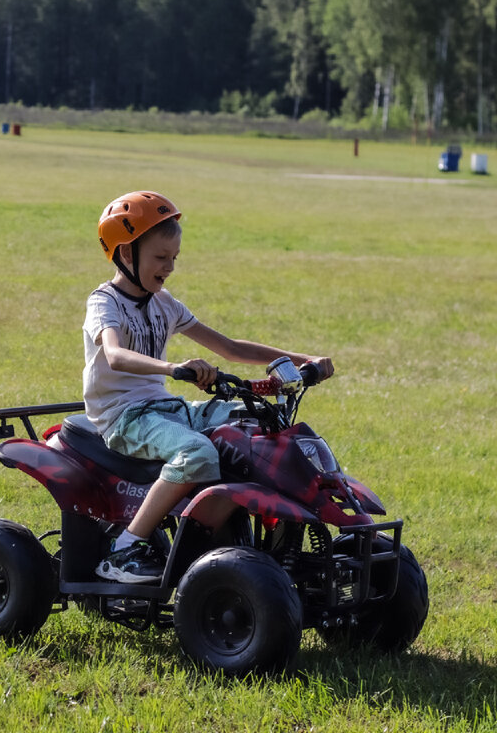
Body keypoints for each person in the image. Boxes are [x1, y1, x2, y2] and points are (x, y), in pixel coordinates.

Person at [83, 190, 334, 584]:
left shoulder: (164, 303)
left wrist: (302, 359)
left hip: (163, 408)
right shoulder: (105, 303)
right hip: (123, 417)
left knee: (249, 423)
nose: (169, 267)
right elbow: (114, 355)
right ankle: (126, 547)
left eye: (174, 259)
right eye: (160, 258)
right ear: (127, 254)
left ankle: (229, 541)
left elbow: (229, 347)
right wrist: (172, 367)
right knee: (196, 451)